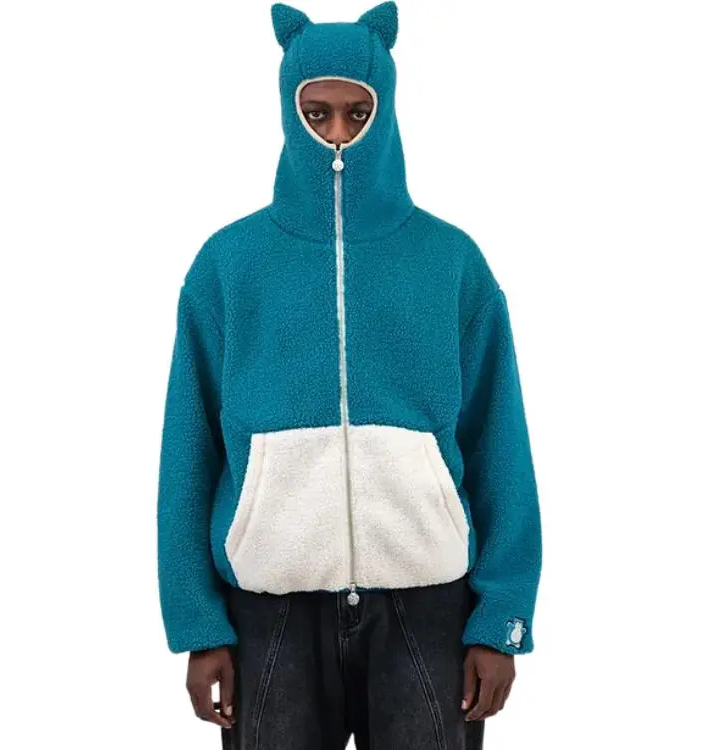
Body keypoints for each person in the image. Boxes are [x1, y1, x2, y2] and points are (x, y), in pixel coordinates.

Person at [156, 3, 542, 749]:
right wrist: (198, 624)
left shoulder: (450, 262)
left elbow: (500, 444)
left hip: (428, 602)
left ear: (386, 109)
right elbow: (188, 454)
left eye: (357, 112)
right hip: (269, 607)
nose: (337, 134)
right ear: (289, 112)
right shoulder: (229, 266)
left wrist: (502, 618)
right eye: (318, 113)